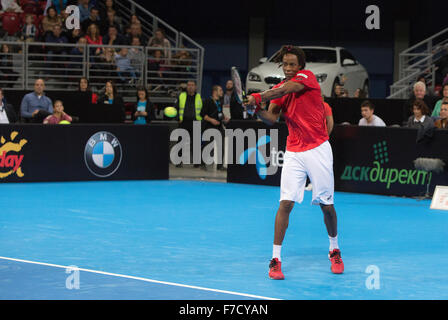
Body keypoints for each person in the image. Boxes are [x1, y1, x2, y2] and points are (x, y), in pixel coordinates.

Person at [244, 45, 344, 279]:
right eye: (285, 64)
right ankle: (275, 259)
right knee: (285, 203)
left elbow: (286, 88)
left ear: (300, 66)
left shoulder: (306, 79)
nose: (288, 68)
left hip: (318, 148)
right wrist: (256, 108)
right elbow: (270, 118)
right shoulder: (279, 90)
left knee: (327, 206)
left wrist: (258, 96)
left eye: (292, 64)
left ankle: (334, 249)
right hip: (294, 151)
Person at [200, 85, 228, 170]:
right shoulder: (207, 101)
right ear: (215, 92)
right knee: (206, 145)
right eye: (220, 90)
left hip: (219, 126)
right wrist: (211, 120)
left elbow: (219, 112)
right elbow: (202, 114)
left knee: (221, 145)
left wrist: (224, 117)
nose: (222, 92)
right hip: (209, 126)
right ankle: (202, 164)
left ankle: (220, 166)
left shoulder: (219, 102)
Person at [176, 80, 203, 167]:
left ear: (195, 87)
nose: (190, 87)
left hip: (195, 122)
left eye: (192, 85)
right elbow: (175, 108)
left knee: (196, 143)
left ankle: (196, 163)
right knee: (181, 142)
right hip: (183, 122)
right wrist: (177, 119)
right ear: (187, 87)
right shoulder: (181, 96)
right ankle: (178, 161)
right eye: (188, 85)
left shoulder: (199, 97)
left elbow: (202, 110)